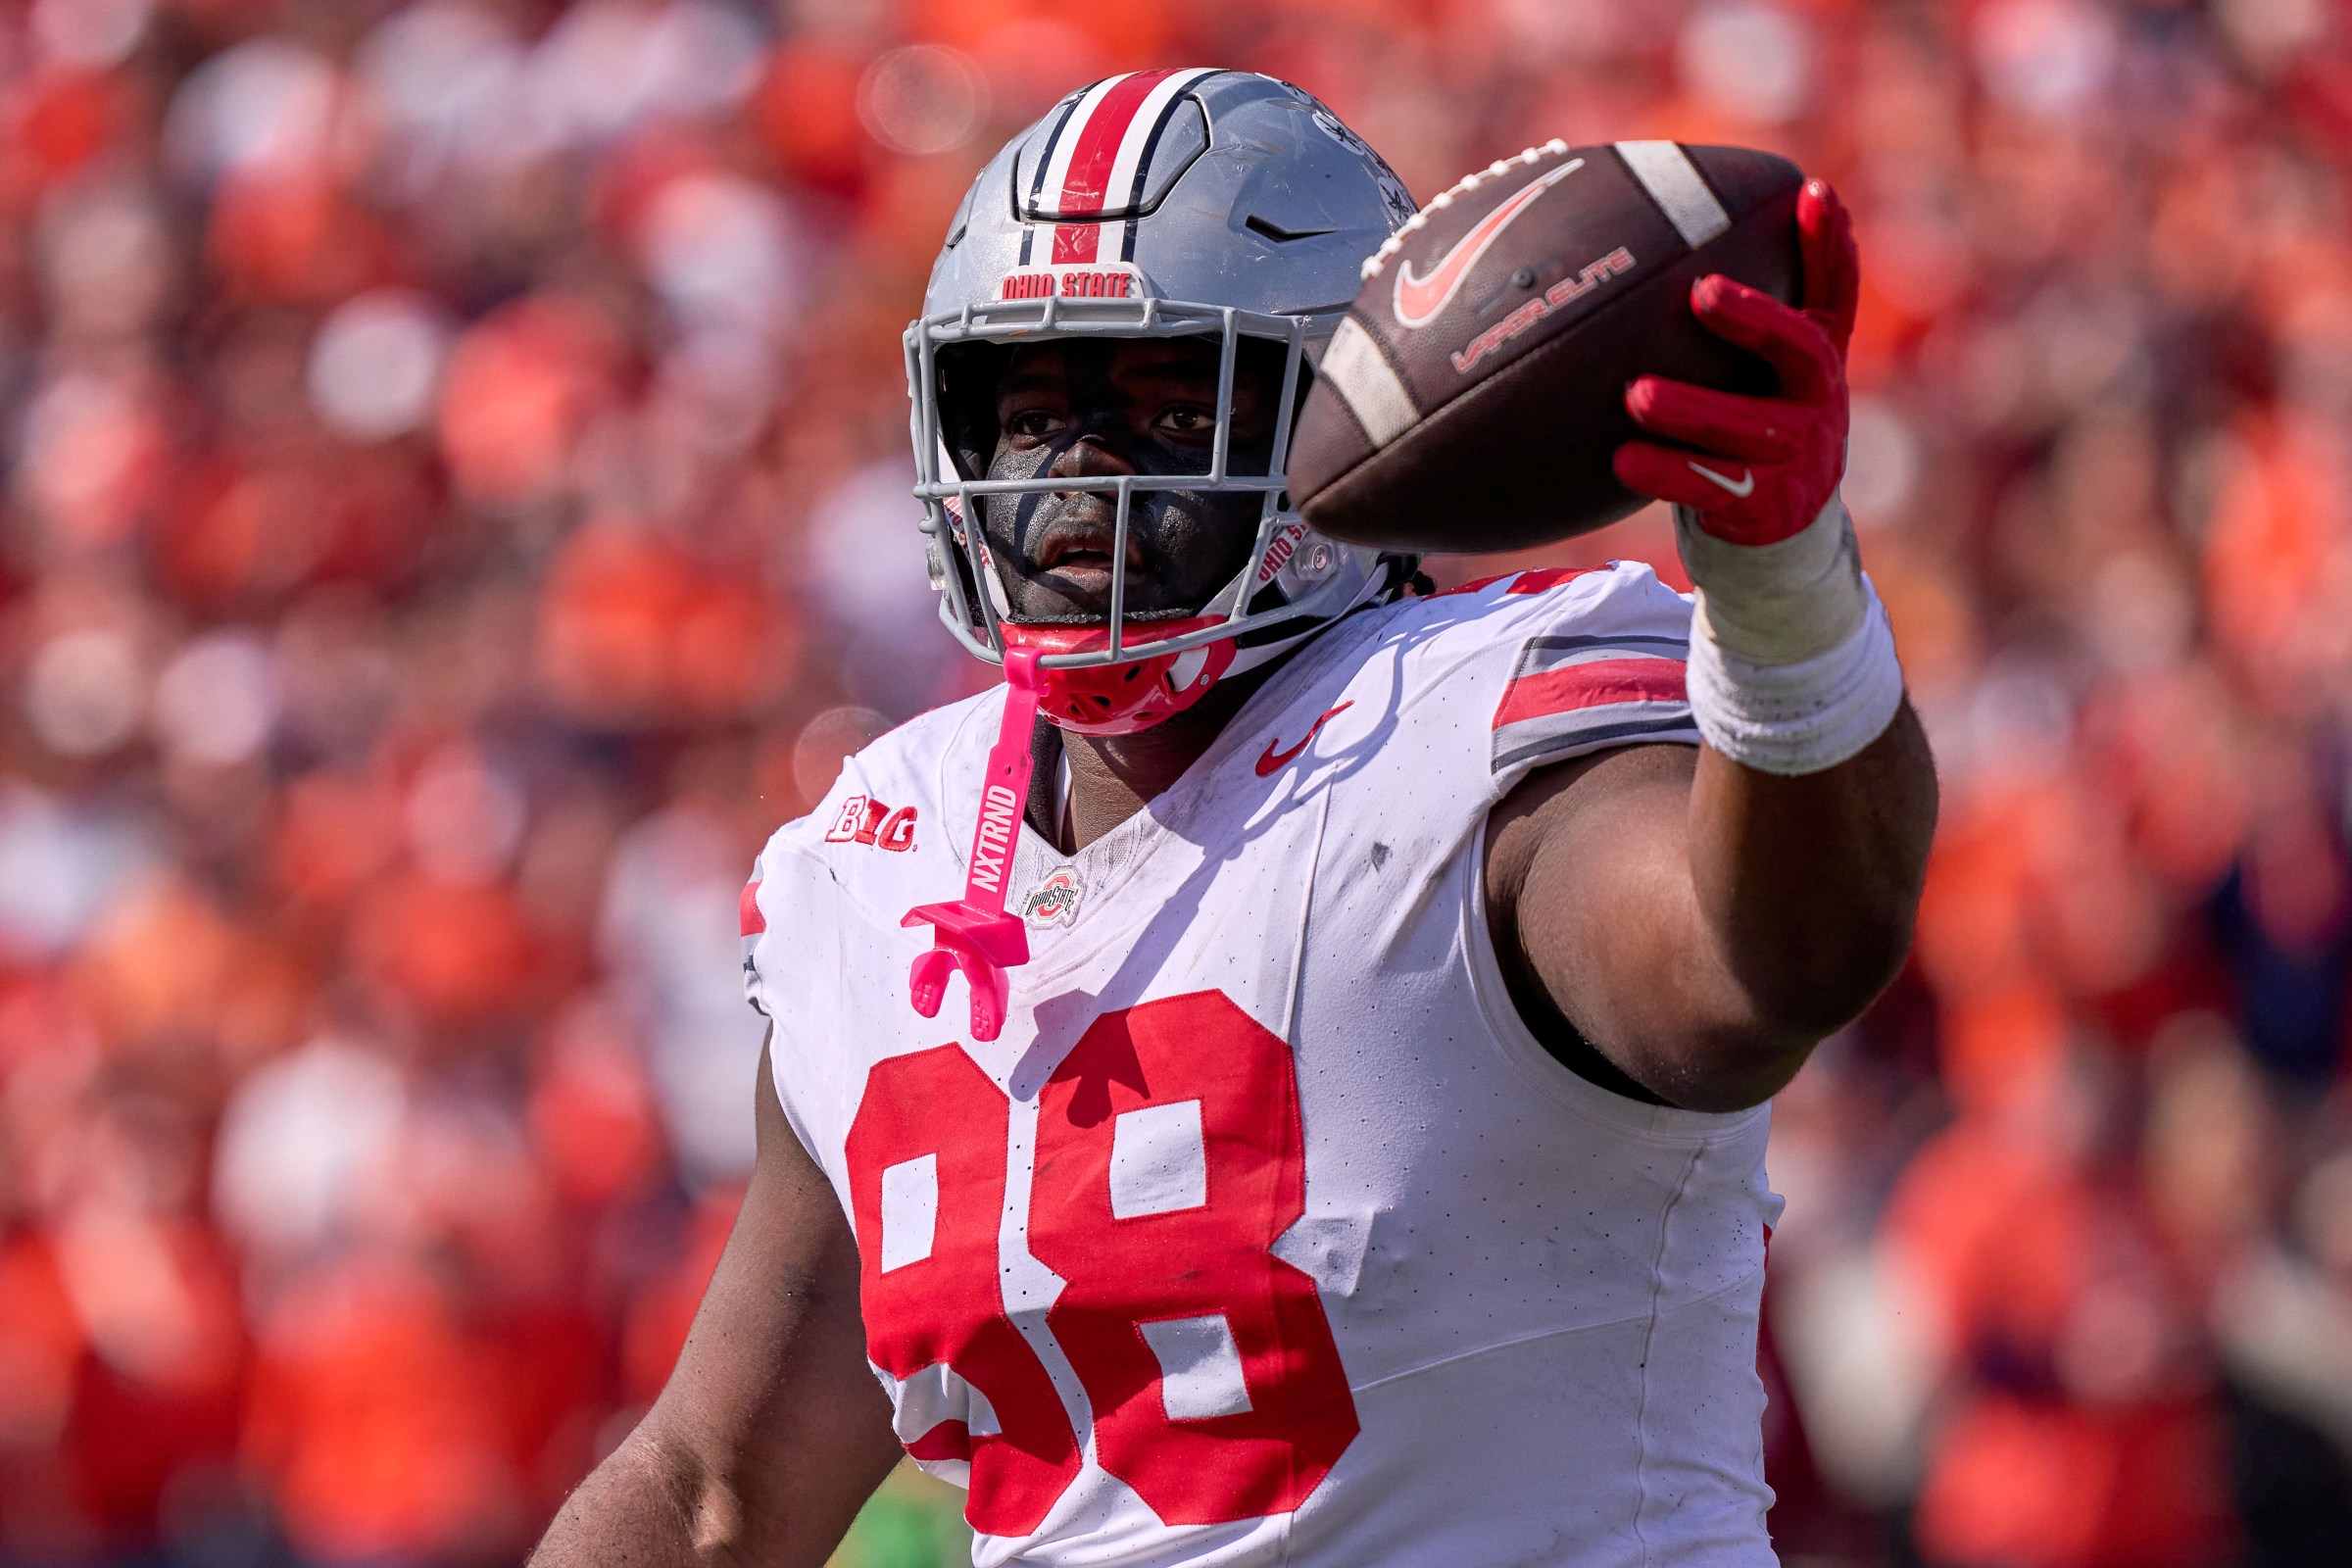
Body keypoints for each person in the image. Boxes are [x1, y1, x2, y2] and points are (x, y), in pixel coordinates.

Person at [529, 69, 1936, 1568]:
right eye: (1028, 410)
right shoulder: (886, 855)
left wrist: (1782, 589)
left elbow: (1771, 962)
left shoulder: (1473, 723)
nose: (1074, 471)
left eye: (1164, 404)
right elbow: (713, 1490)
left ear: (1352, 426)